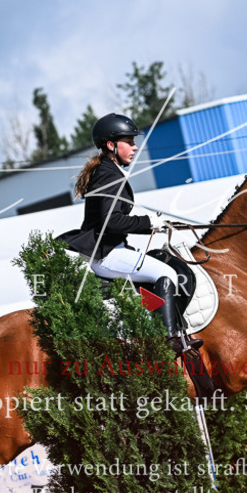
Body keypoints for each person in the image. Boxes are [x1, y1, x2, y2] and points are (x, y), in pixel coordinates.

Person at [58, 112, 200, 355]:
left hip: (114, 249)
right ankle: (167, 339)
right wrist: (148, 222)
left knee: (160, 271)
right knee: (167, 273)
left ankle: (164, 329)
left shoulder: (107, 170)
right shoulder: (108, 174)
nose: (135, 148)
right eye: (130, 142)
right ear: (112, 145)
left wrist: (156, 222)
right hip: (106, 253)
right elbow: (110, 221)